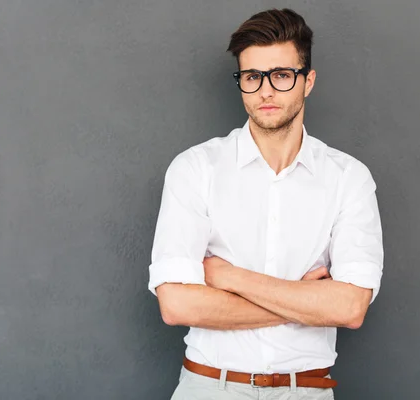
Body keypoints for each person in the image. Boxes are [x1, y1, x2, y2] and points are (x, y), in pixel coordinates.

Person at [147, 8, 384, 400]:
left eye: (281, 75)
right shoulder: (195, 169)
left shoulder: (348, 178)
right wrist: (305, 302)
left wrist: (228, 277)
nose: (266, 91)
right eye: (252, 77)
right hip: (209, 387)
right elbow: (176, 304)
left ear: (308, 81)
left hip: (306, 390)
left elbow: (349, 307)